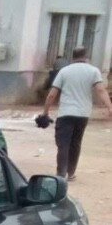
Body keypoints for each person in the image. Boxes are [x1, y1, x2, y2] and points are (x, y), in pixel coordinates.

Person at [41, 46, 112, 180]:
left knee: (63, 143)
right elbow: (101, 90)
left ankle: (61, 174)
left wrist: (45, 112)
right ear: (86, 57)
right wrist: (110, 107)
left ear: (72, 57)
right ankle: (71, 173)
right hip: (83, 114)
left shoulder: (64, 71)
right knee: (76, 143)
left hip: (65, 113)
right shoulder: (94, 71)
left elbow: (52, 94)